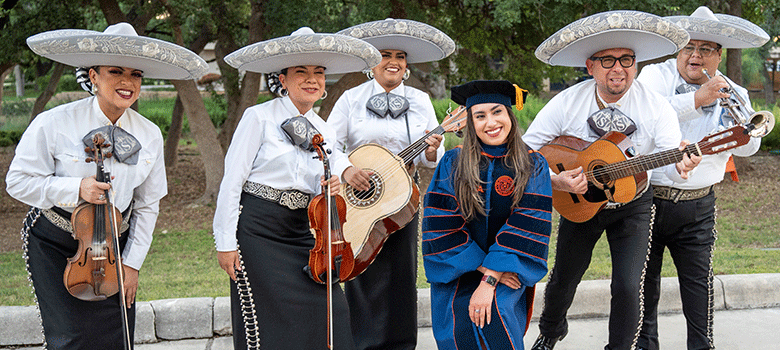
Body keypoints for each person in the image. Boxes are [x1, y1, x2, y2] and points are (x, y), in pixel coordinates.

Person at [6, 23, 207, 349]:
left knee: (118, 333)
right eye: (116, 71)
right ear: (93, 75)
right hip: (57, 240)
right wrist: (75, 188)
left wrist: (132, 263)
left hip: (115, 244)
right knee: (71, 336)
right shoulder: (54, 122)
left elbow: (147, 204)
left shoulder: (149, 134)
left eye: (136, 74)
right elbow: (17, 183)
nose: (128, 82)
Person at [523, 11, 702, 350]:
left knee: (627, 285)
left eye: (626, 59)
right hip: (578, 201)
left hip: (633, 204)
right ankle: (549, 332)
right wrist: (556, 182)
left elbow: (670, 154)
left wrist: (683, 163)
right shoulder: (566, 101)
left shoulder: (656, 106)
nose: (618, 68)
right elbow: (524, 153)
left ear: (636, 65)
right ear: (590, 66)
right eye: (608, 60)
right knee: (564, 279)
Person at [213, 27, 381, 350]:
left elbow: (329, 172)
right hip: (258, 230)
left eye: (318, 73)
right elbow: (232, 181)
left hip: (303, 233)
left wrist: (332, 183)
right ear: (283, 79)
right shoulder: (258, 118)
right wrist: (225, 242)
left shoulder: (325, 129)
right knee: (267, 325)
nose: (312, 79)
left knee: (331, 312)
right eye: (301, 72)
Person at [635, 6, 767, 350]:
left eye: (705, 49)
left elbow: (748, 152)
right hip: (648, 198)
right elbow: (647, 117)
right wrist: (697, 99)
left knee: (698, 284)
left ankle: (702, 345)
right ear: (677, 49)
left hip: (699, 203)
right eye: (688, 47)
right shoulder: (654, 76)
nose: (695, 55)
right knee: (643, 283)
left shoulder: (734, 90)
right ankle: (645, 345)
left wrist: (743, 128)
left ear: (718, 56)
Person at [329, 18, 455, 350]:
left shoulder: (420, 99)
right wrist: (344, 170)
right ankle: (362, 343)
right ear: (372, 62)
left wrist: (433, 149)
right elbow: (328, 144)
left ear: (406, 66)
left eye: (400, 56)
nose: (394, 62)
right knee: (360, 269)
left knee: (402, 273)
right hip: (358, 198)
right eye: (386, 54)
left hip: (402, 199)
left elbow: (435, 154)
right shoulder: (350, 99)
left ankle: (400, 345)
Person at [421, 80, 552, 350]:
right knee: (459, 326)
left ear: (510, 116)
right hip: (458, 266)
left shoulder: (532, 164)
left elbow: (527, 225)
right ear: (470, 122)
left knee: (496, 313)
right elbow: (442, 225)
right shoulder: (453, 163)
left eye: (497, 112)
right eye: (480, 116)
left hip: (508, 266)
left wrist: (491, 279)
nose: (490, 122)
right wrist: (482, 269)